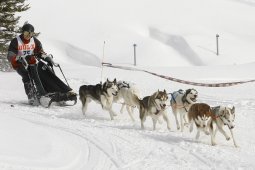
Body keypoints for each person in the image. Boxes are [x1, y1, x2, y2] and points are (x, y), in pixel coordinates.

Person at [7, 23, 76, 105]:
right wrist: (19, 58)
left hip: (32, 62)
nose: (28, 35)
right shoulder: (16, 41)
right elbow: (10, 55)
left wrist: (47, 58)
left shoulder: (35, 41)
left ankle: (61, 91)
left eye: (31, 33)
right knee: (26, 75)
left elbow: (40, 53)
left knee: (44, 69)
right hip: (19, 64)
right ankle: (32, 98)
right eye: (26, 33)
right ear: (23, 32)